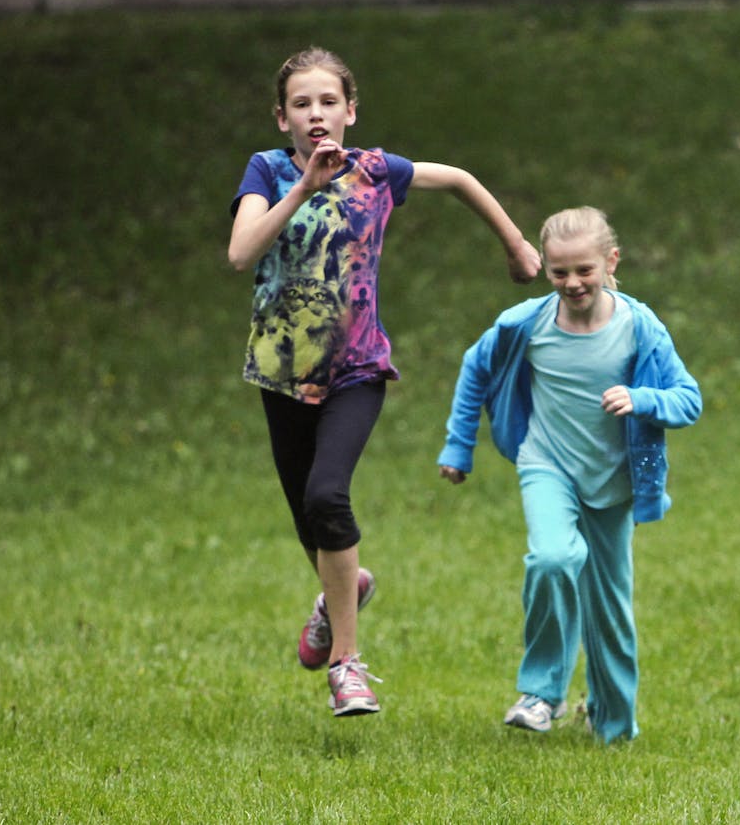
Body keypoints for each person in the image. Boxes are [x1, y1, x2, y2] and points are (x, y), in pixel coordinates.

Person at [227, 46, 541, 717]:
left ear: (351, 110)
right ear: (281, 116)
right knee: (311, 521)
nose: (316, 114)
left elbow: (457, 177)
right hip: (282, 374)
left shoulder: (375, 170)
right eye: (302, 104)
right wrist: (302, 188)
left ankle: (347, 662)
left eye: (329, 101)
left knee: (327, 495)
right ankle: (342, 587)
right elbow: (240, 251)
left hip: (356, 370)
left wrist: (516, 245)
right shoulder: (267, 171)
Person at [437, 206, 702, 743]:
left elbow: (688, 399)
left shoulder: (638, 327)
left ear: (611, 261)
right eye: (560, 272)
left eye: (584, 270)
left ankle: (613, 726)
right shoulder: (527, 325)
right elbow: (475, 366)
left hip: (613, 483)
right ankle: (542, 693)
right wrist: (459, 446)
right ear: (546, 269)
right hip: (547, 465)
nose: (573, 283)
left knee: (610, 613)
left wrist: (642, 397)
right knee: (554, 557)